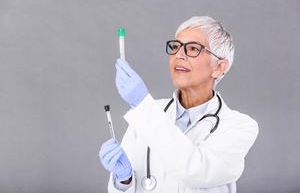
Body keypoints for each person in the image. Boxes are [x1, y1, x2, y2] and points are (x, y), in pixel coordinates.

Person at [99, 16, 259, 193]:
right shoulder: (149, 113)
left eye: (192, 48)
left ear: (219, 67)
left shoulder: (239, 126)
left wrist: (142, 103)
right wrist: (124, 181)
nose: (179, 55)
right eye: (175, 47)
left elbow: (197, 171)